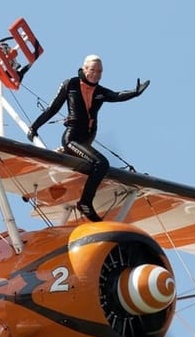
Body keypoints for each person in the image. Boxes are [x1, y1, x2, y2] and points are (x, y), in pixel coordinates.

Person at [28, 55, 149, 221]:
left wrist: (135, 93)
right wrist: (34, 127)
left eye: (99, 71)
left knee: (94, 167)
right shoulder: (70, 84)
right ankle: (85, 203)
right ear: (84, 69)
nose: (96, 74)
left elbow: (116, 95)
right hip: (73, 139)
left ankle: (81, 194)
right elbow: (53, 108)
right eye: (92, 70)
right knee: (101, 163)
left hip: (86, 142)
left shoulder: (100, 92)